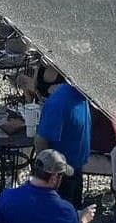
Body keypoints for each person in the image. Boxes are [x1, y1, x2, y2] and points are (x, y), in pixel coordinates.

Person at [33, 70, 91, 208]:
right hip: (60, 177)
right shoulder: (58, 103)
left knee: (73, 213)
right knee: (60, 216)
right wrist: (46, 177)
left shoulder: (83, 96)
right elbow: (41, 140)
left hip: (76, 170)